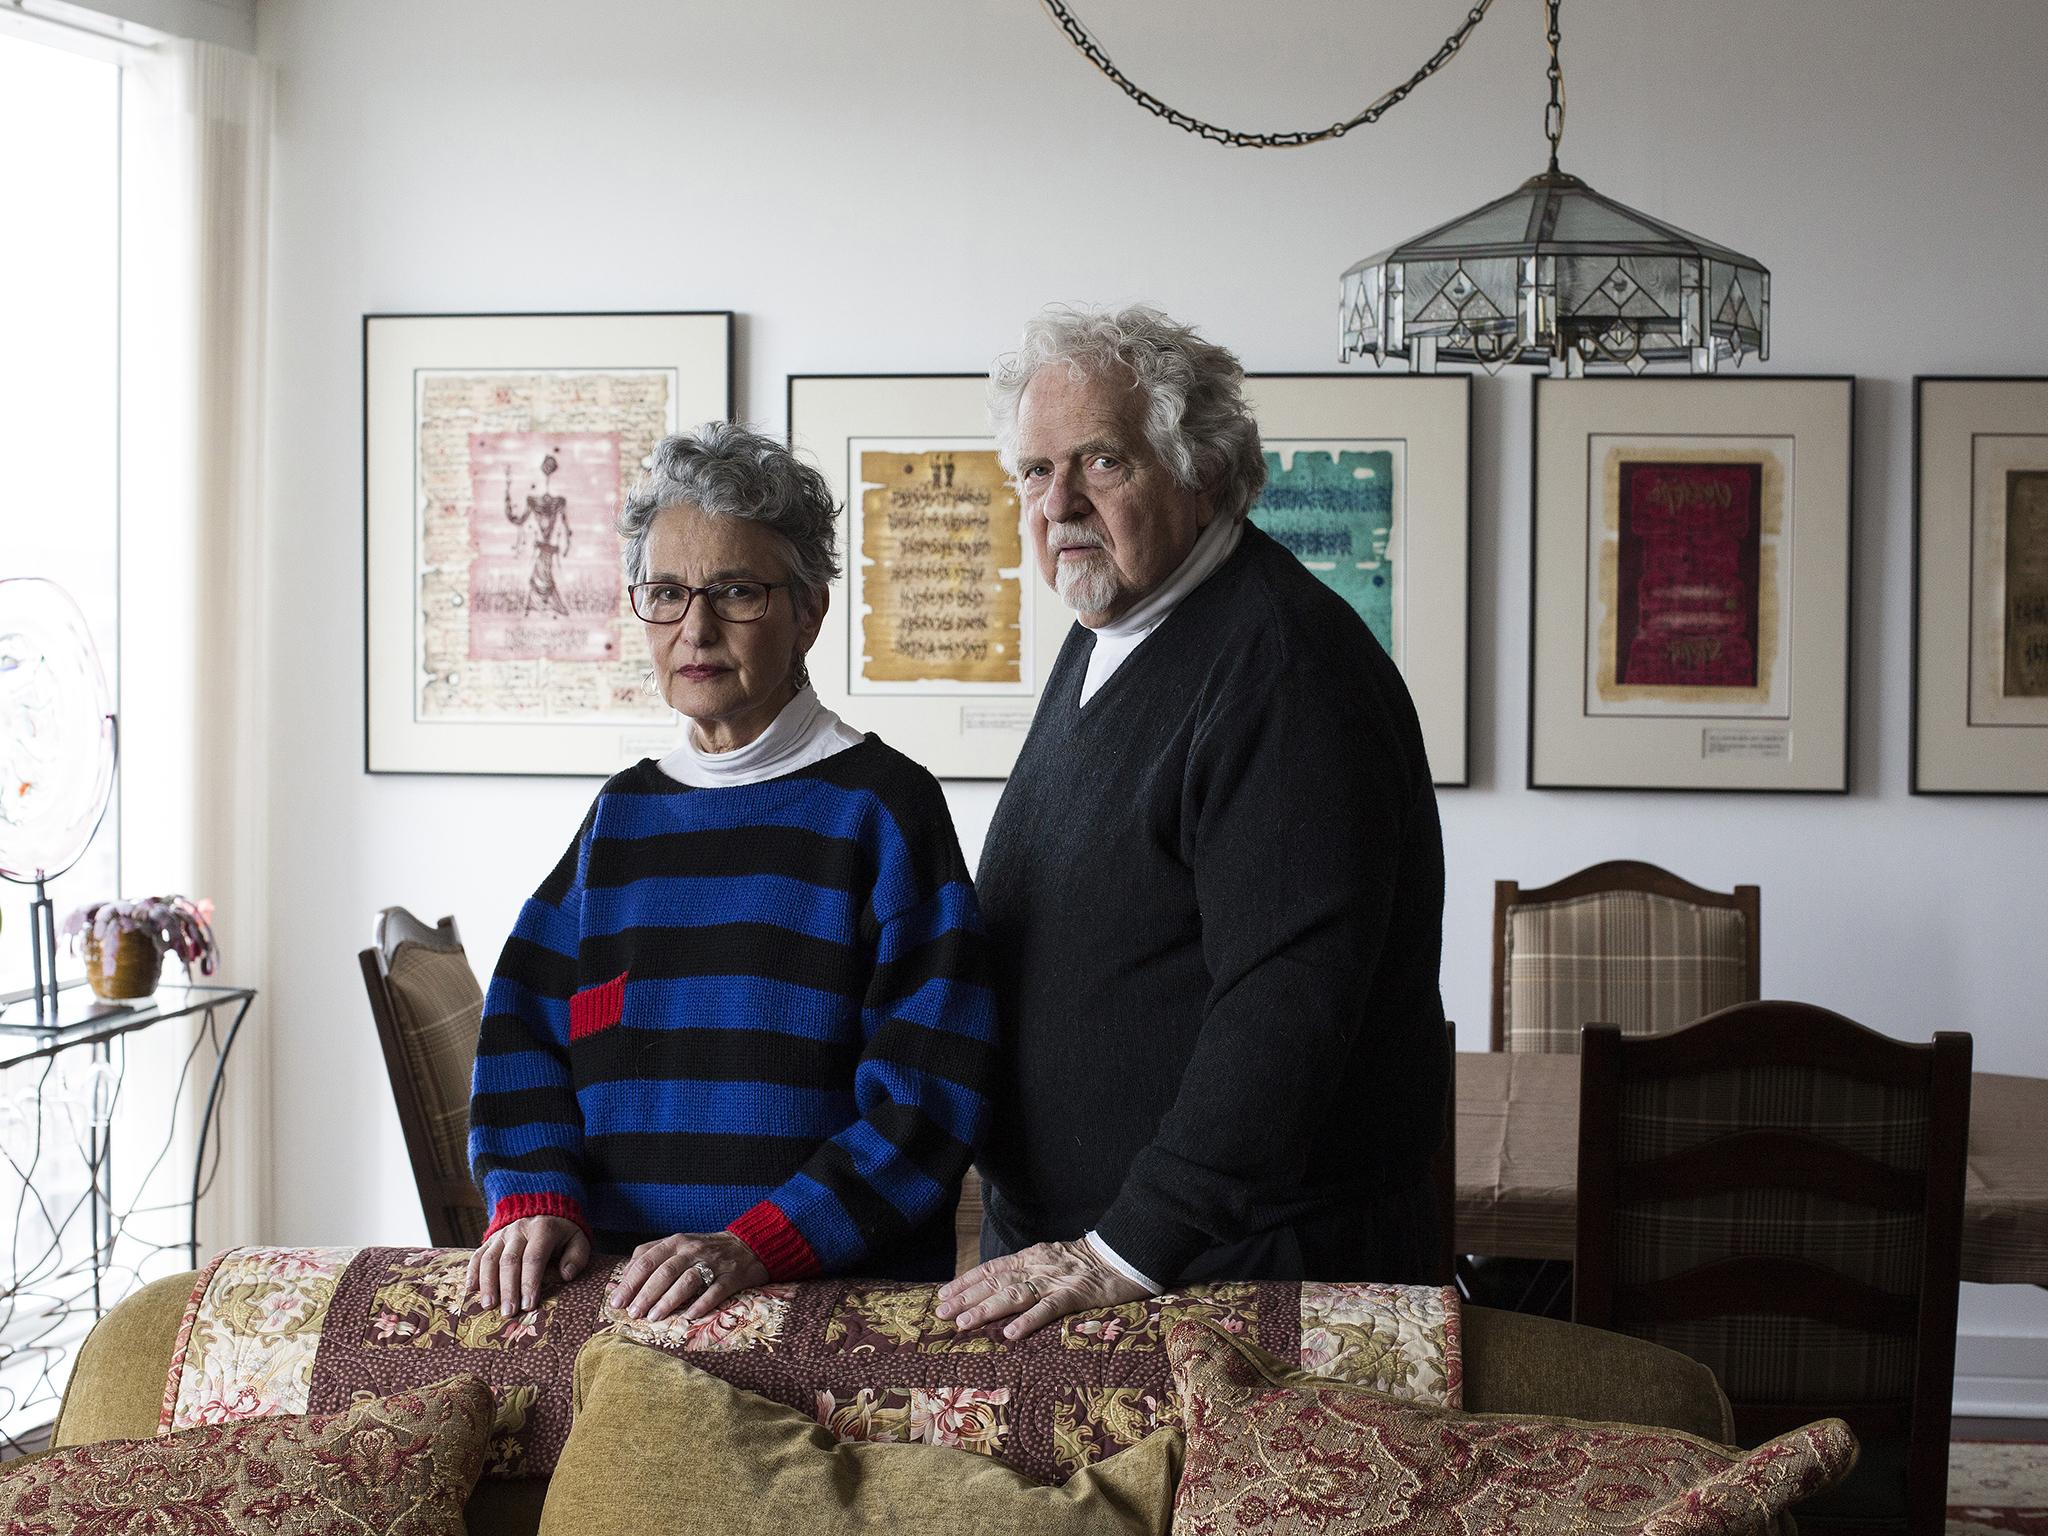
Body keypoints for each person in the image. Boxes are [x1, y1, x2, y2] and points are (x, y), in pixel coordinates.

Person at [938, 305, 1449, 1342]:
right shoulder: (1116, 623)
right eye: (1034, 473)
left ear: (1205, 470)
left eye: (1101, 462)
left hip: (1229, 1277)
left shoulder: (1282, 669)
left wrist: (1122, 1248)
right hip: (1109, 1258)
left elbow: (1286, 1008)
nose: (1059, 503)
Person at [464, 422, 996, 1325]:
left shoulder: (882, 809)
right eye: (666, 593)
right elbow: (525, 1035)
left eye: (737, 592)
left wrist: (760, 1244)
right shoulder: (619, 818)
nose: (696, 628)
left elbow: (930, 1103)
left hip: (824, 1305)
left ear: (810, 613)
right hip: (627, 1308)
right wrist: (534, 1194)